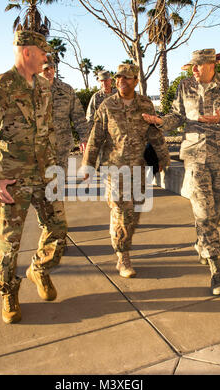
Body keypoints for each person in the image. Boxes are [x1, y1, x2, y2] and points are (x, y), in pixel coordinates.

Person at [0, 30, 68, 324]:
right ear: (27, 52)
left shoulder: (42, 85)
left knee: (58, 229)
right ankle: (8, 292)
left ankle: (39, 269)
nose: (46, 58)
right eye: (42, 52)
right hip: (12, 179)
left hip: (45, 175)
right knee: (8, 243)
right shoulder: (1, 87)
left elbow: (48, 129)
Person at [143, 48, 220, 296]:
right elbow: (176, 116)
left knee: (217, 208)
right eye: (192, 66)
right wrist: (159, 122)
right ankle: (214, 265)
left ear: (211, 65)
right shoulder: (185, 86)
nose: (194, 70)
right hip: (194, 154)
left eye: (198, 66)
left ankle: (201, 241)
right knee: (202, 208)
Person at [82, 64, 170, 278]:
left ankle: (118, 235)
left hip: (138, 167)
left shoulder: (145, 104)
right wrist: (88, 164)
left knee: (134, 211)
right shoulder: (107, 105)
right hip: (114, 168)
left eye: (127, 78)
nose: (122, 81)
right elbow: (96, 137)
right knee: (123, 210)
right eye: (119, 77)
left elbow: (155, 134)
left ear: (135, 81)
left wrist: (163, 156)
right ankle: (123, 256)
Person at [40, 56, 88, 172]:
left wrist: (84, 138)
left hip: (62, 146)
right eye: (46, 69)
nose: (50, 71)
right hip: (38, 147)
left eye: (52, 68)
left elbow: (79, 116)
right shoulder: (30, 90)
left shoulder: (66, 90)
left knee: (59, 183)